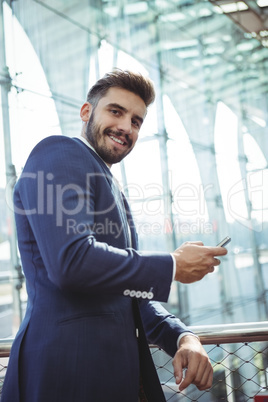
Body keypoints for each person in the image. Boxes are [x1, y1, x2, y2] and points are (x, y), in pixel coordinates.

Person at [2, 69, 227, 402]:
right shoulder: (60, 153)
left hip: (115, 380)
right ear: (86, 112)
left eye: (136, 121)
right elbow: (72, 261)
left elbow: (129, 296)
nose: (126, 127)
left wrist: (183, 337)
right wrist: (172, 265)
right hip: (65, 376)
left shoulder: (107, 184)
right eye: (116, 111)